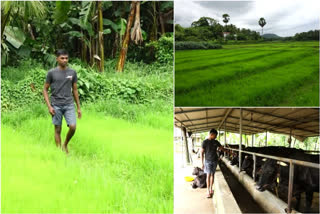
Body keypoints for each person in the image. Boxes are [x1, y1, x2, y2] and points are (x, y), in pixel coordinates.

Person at [43, 49, 81, 154]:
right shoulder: (51, 73)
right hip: (56, 105)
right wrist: (49, 106)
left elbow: (75, 89)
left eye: (66, 58)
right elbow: (45, 90)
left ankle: (65, 144)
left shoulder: (72, 72)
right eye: (62, 58)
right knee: (58, 129)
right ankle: (59, 152)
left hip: (69, 104)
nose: (65, 60)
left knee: (73, 127)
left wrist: (78, 107)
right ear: (57, 59)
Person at [200, 128, 224, 198]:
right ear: (211, 134)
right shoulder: (205, 142)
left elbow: (221, 148)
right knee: (208, 175)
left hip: (215, 160)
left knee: (212, 175)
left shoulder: (216, 142)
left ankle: (211, 189)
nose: (216, 137)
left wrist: (227, 151)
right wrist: (202, 163)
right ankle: (207, 191)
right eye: (215, 135)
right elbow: (202, 152)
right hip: (208, 161)